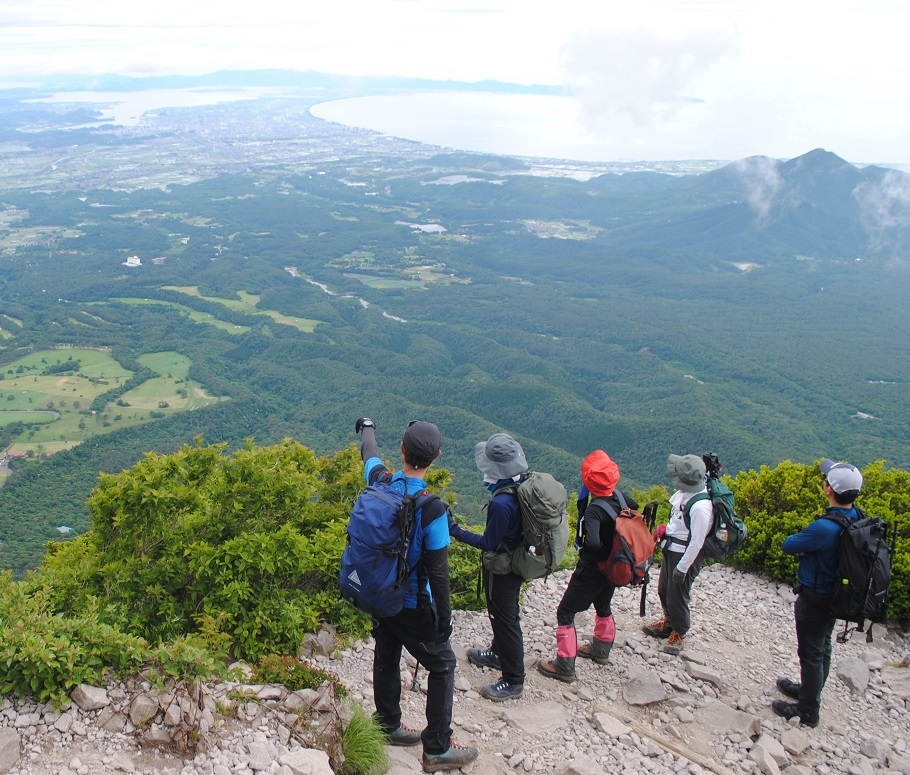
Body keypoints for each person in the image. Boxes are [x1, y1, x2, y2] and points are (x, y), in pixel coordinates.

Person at [355, 417, 478, 771]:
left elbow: (369, 453)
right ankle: (437, 747)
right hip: (411, 601)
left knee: (389, 647)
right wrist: (445, 620)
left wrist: (368, 427)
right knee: (443, 664)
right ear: (436, 457)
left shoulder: (381, 481)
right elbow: (438, 574)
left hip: (379, 593)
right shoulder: (432, 509)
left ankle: (388, 723)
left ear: (403, 451)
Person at [773, 458, 864, 728]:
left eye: (825, 480)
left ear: (828, 489)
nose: (823, 481)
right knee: (822, 646)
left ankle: (807, 710)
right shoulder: (857, 516)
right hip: (836, 595)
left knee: (811, 652)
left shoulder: (825, 527)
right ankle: (809, 691)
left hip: (816, 597)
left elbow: (788, 545)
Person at [537, 450, 638, 683]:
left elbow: (591, 542)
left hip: (593, 568)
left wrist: (593, 549)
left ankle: (564, 665)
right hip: (613, 567)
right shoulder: (623, 498)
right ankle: (601, 650)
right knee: (603, 604)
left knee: (565, 611)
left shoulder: (594, 510)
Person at [448, 432, 529, 701]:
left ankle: (513, 680)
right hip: (518, 560)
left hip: (504, 569)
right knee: (505, 614)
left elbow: (489, 543)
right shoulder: (521, 485)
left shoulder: (501, 503)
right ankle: (497, 653)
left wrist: (455, 530)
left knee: (505, 619)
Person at [642, 453, 712, 655]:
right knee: (664, 589)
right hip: (672, 550)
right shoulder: (688, 495)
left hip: (684, 556)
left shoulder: (700, 507)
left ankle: (679, 632)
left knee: (678, 596)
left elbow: (697, 541)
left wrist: (682, 568)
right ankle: (669, 623)